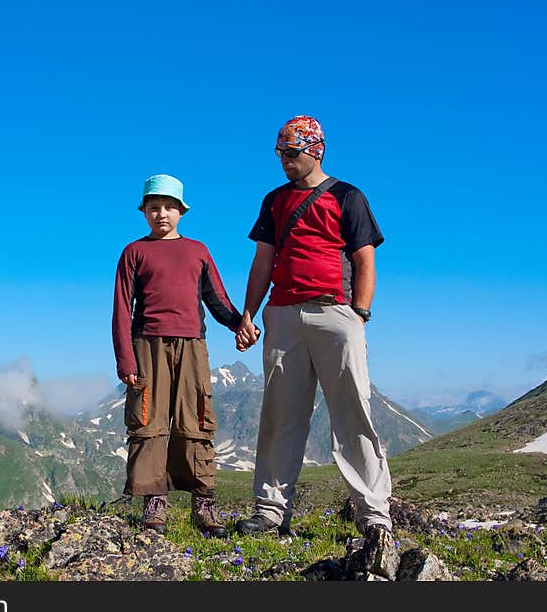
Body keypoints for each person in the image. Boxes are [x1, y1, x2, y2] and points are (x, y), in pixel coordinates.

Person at [234, 115, 393, 543]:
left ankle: (373, 513)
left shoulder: (348, 196)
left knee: (352, 412)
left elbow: (364, 259)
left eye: (291, 152)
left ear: (315, 149)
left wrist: (358, 313)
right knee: (280, 415)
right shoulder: (273, 201)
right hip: (283, 313)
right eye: (280, 152)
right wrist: (249, 314)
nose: (284, 160)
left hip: (334, 312)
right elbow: (263, 260)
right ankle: (270, 510)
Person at [112, 173, 252, 538]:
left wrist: (240, 324)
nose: (162, 214)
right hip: (148, 346)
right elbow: (121, 308)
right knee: (148, 422)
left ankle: (203, 503)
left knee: (197, 421)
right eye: (154, 207)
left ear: (181, 211)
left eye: (169, 207)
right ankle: (153, 502)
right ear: (144, 211)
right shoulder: (134, 252)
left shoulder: (198, 251)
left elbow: (217, 299)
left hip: (192, 345)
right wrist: (125, 360)